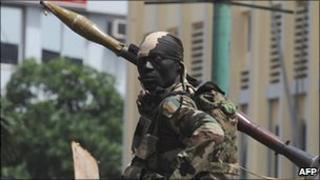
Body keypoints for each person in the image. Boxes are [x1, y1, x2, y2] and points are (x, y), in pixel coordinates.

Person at [122, 31, 238, 179]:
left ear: (178, 67)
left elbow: (211, 133)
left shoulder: (172, 104)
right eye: (142, 62)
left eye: (156, 59)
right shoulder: (161, 103)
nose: (148, 67)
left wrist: (179, 175)